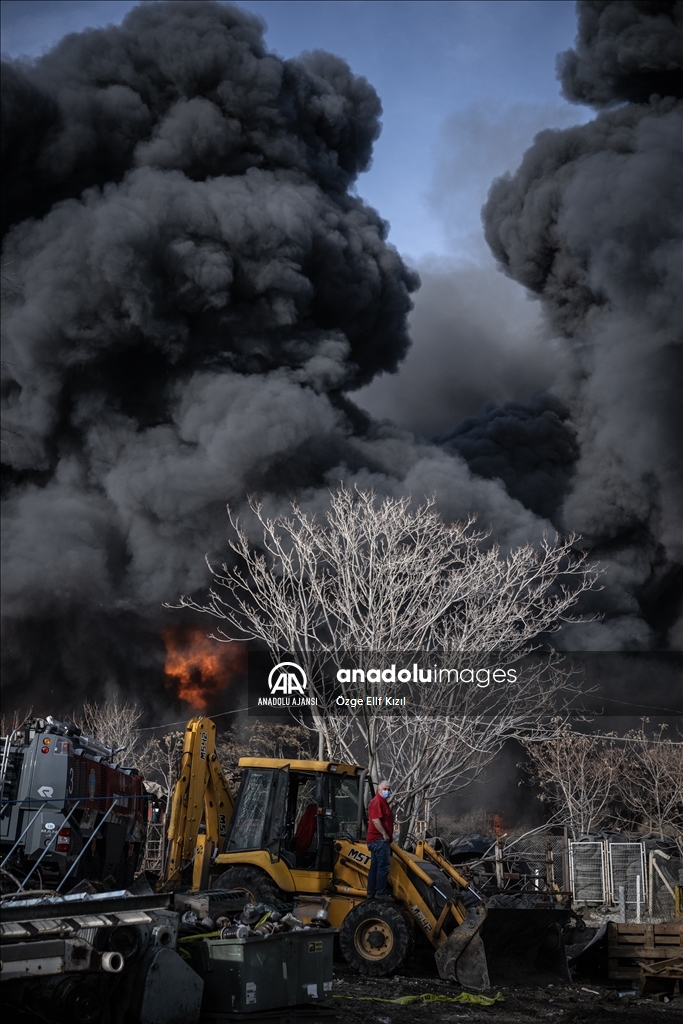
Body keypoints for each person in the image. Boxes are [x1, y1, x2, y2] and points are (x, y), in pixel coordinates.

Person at [366, 780, 394, 900]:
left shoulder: (383, 802)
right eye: (385, 789)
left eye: (388, 789)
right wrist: (384, 834)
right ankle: (380, 892)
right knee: (383, 866)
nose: (387, 791)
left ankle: (371, 892)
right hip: (379, 840)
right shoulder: (377, 801)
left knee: (375, 867)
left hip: (376, 840)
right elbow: (375, 820)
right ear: (379, 790)